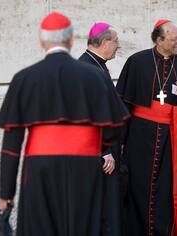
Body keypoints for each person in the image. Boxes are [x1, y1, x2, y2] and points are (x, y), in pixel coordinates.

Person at [0, 12, 129, 235]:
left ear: (41, 41)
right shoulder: (94, 76)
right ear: (70, 41)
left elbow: (11, 146)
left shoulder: (24, 78)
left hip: (40, 169)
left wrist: (6, 195)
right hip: (85, 167)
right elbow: (113, 128)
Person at [115, 19, 177, 236]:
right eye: (174, 39)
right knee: (138, 187)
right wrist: (120, 142)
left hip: (169, 138)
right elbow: (123, 105)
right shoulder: (137, 61)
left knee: (165, 189)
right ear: (159, 39)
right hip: (138, 136)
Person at [78, 21, 124, 236]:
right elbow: (87, 114)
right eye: (115, 42)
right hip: (99, 153)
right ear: (105, 42)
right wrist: (104, 150)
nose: (118, 46)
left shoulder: (95, 64)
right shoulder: (87, 68)